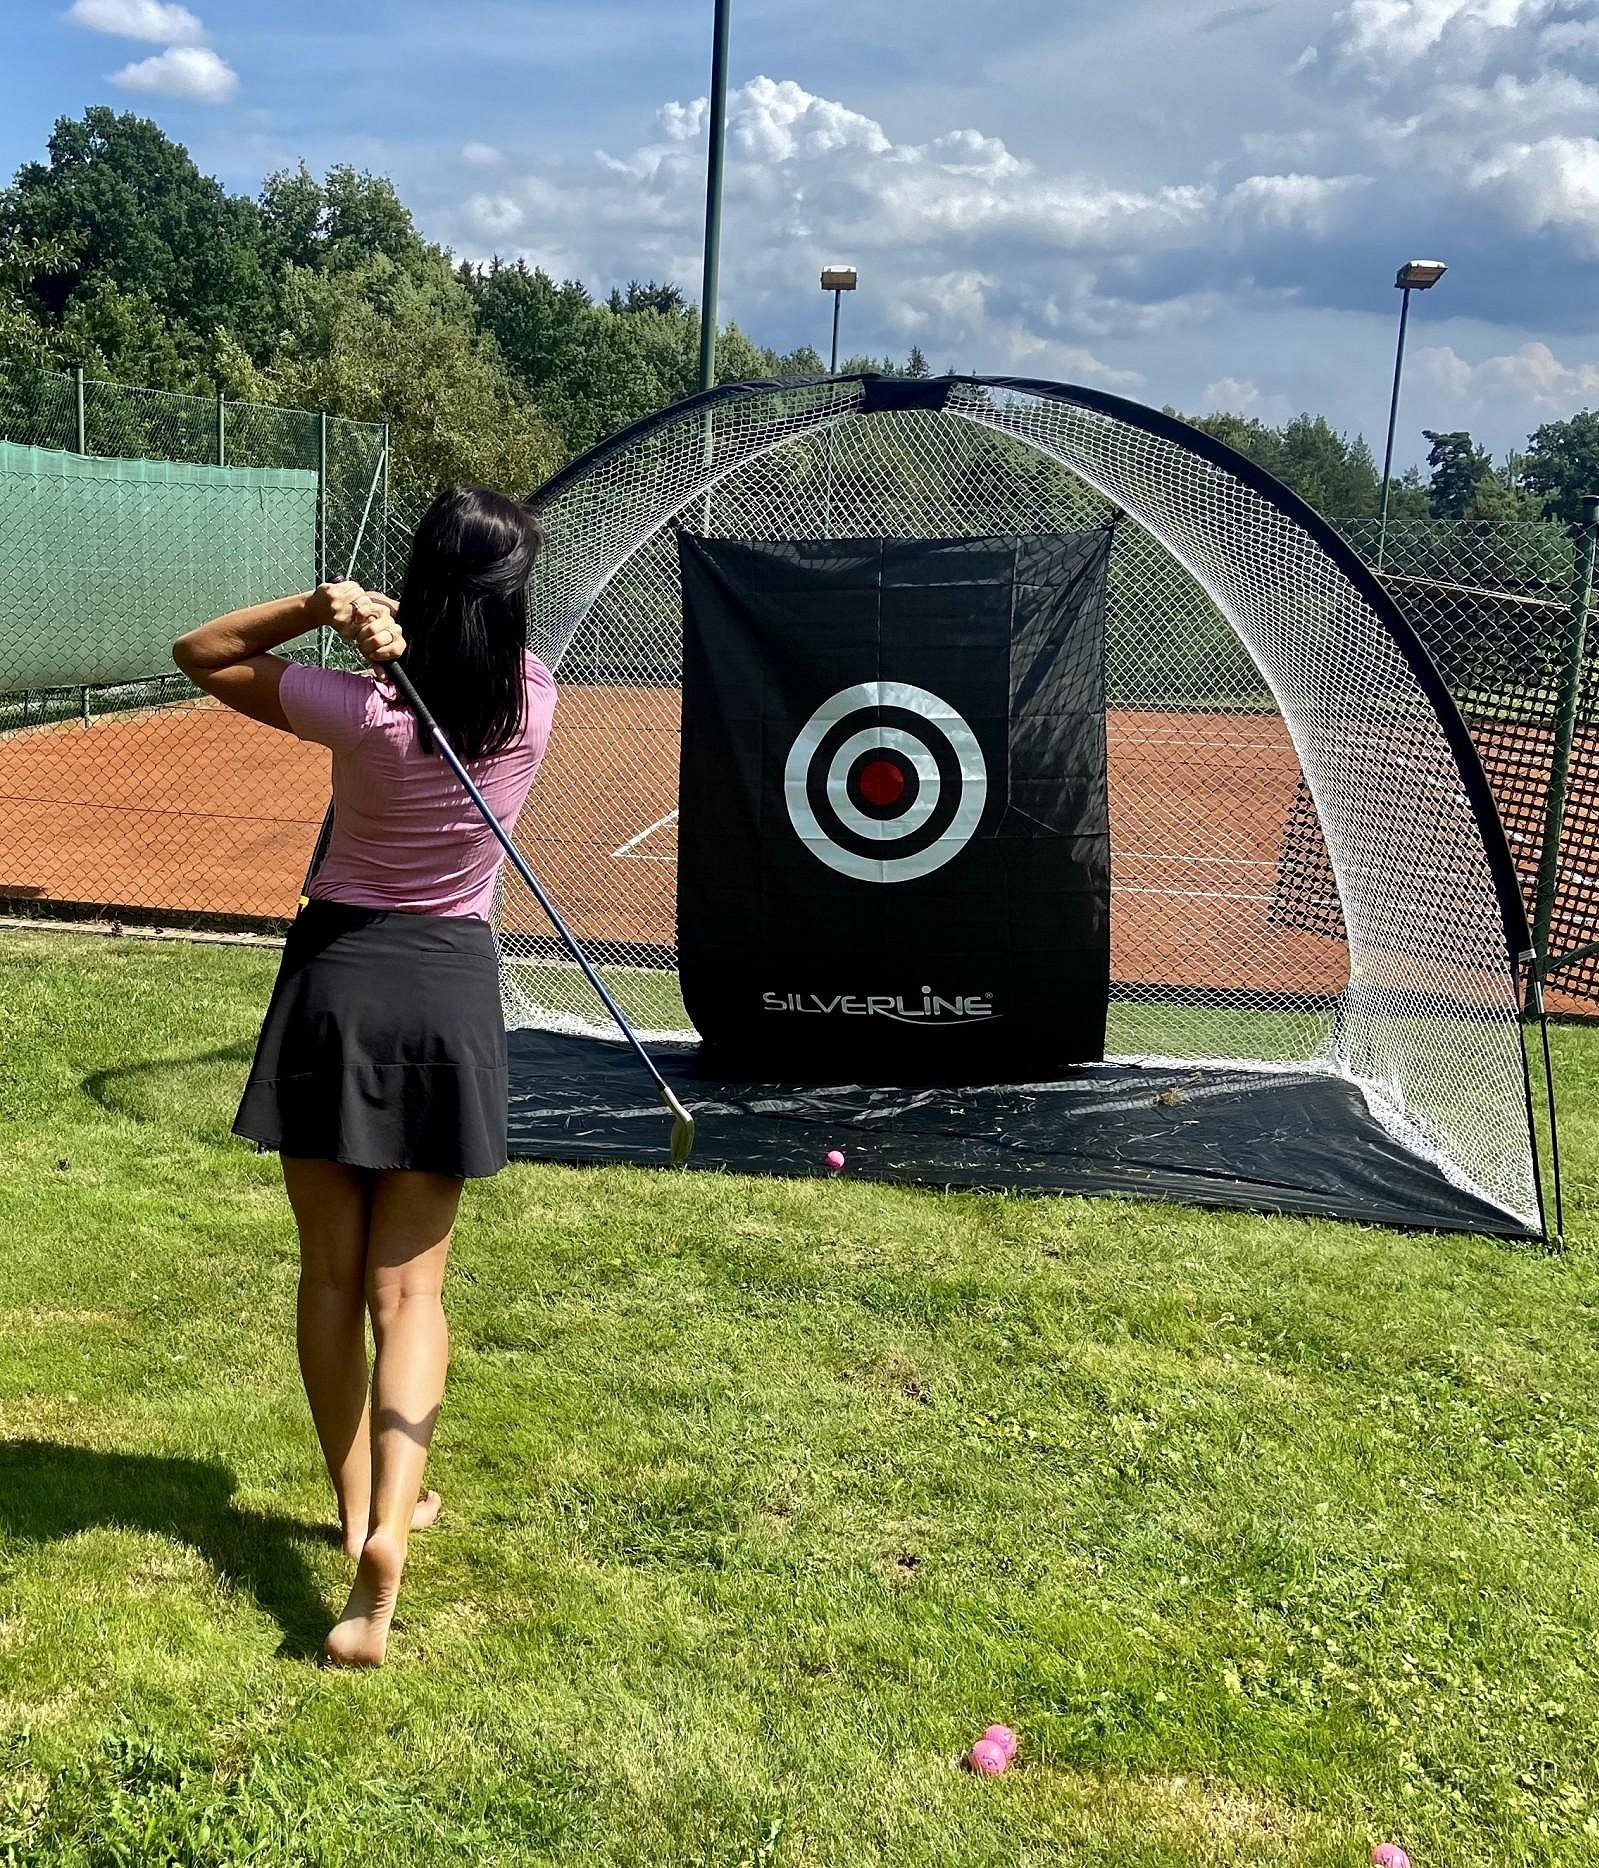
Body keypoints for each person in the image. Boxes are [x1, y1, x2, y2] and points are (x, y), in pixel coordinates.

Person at [172, 484, 557, 1668]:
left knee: (332, 1276)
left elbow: (201, 652)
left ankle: (353, 1513)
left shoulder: (362, 709)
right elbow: (473, 660)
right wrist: (397, 637)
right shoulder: (537, 697)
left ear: (418, 581)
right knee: (412, 1294)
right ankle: (392, 1516)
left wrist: (324, 607)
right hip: (448, 990)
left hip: (338, 980)